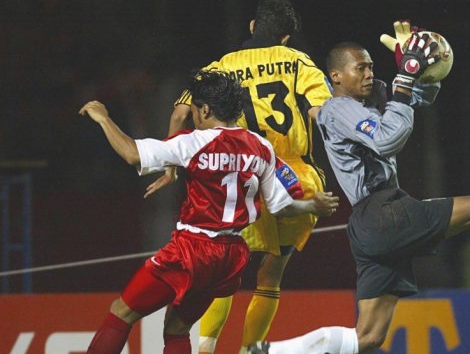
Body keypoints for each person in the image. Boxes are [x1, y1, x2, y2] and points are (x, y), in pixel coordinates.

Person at [247, 30, 470, 354]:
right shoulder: (336, 108)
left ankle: (268, 352)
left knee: (369, 337)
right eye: (361, 68)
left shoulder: (370, 98)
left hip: (374, 223)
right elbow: (389, 138)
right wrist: (404, 79)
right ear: (336, 76)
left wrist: (420, 65)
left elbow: (421, 99)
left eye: (372, 66)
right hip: (382, 212)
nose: (370, 73)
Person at [79, 70, 338, 353]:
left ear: (204, 109)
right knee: (177, 328)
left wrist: (104, 118)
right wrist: (313, 205)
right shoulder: (260, 146)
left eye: (193, 110)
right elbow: (281, 207)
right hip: (231, 256)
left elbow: (132, 154)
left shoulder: (194, 141)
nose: (192, 116)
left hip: (192, 249)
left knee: (121, 312)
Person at [144, 0, 334, 353]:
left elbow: (181, 115)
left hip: (245, 175)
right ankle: (251, 350)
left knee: (225, 273)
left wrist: (172, 167)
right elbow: (320, 113)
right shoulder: (298, 62)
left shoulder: (220, 67)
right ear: (286, 38)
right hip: (298, 180)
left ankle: (206, 347)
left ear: (251, 27)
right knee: (271, 276)